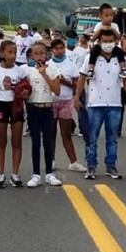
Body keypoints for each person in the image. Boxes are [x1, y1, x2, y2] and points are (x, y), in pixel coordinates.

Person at [75, 29, 126, 179]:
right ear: (99, 42)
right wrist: (77, 98)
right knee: (92, 137)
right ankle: (91, 166)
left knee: (112, 138)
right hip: (95, 104)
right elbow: (81, 78)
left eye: (110, 41)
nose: (108, 44)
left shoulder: (119, 59)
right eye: (105, 41)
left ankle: (111, 166)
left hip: (114, 103)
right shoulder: (91, 58)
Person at [0, 41, 29, 188]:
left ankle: (15, 173)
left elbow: (26, 89)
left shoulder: (20, 71)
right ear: (2, 53)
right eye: (9, 52)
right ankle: (1, 173)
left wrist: (24, 94)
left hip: (16, 106)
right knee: (1, 141)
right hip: (0, 105)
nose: (13, 55)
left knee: (17, 141)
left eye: (15, 52)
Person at [24, 43, 63, 187]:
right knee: (35, 142)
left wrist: (44, 74)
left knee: (48, 141)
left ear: (46, 54)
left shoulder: (53, 70)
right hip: (33, 107)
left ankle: (49, 173)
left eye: (42, 53)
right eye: (36, 53)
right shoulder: (27, 71)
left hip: (47, 107)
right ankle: (35, 174)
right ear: (32, 56)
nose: (39, 56)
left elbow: (57, 90)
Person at [50, 38, 86, 172]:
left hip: (66, 101)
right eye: (56, 48)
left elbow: (77, 84)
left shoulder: (71, 65)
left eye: (61, 48)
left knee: (66, 133)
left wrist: (65, 82)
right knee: (51, 133)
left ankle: (73, 161)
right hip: (51, 101)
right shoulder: (48, 65)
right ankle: (51, 160)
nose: (59, 51)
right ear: (52, 50)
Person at [85, 4, 126, 79]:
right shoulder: (98, 25)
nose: (109, 18)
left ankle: (123, 69)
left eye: (111, 15)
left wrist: (112, 30)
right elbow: (93, 38)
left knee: (120, 52)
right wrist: (100, 30)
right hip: (100, 47)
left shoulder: (114, 25)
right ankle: (91, 70)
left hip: (112, 46)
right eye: (107, 15)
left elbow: (118, 37)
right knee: (94, 52)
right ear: (101, 16)